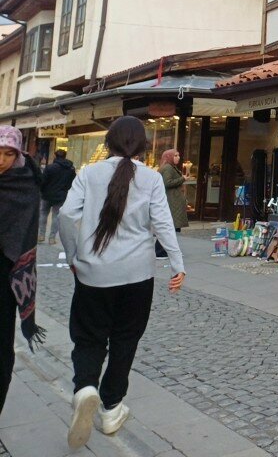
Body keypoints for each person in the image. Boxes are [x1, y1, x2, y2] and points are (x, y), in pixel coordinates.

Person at [59, 117, 185, 449]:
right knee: (126, 339)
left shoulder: (89, 173)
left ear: (108, 142)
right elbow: (163, 222)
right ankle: (112, 406)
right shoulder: (152, 178)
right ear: (143, 146)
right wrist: (177, 264)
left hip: (93, 273)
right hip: (137, 275)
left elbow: (66, 215)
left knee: (89, 336)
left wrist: (73, 255)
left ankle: (85, 387)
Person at [0, 126, 46, 415]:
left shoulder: (26, 183)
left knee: (2, 351)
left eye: (9, 154)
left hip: (6, 278)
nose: (2, 160)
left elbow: (25, 233)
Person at [39, 149, 76, 245]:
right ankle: (52, 238)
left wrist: (41, 191)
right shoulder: (70, 169)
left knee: (43, 214)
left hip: (47, 195)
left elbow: (43, 181)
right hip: (60, 196)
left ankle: (41, 235)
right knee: (56, 216)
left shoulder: (50, 167)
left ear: (55, 156)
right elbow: (72, 183)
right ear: (65, 156)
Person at [157, 150, 189, 254]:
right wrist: (182, 179)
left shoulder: (171, 167)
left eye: (178, 155)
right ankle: (160, 251)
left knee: (170, 228)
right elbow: (167, 183)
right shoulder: (168, 168)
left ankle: (166, 250)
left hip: (173, 201)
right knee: (169, 228)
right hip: (171, 201)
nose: (178, 157)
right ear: (169, 157)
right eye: (175, 155)